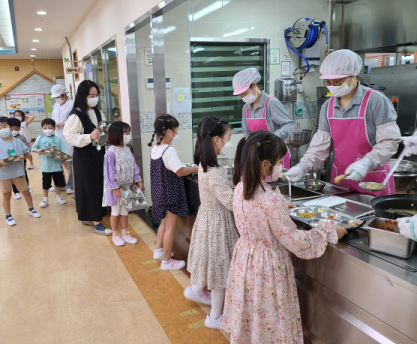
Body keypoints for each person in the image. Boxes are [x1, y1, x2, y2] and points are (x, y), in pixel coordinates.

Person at [222, 130, 347, 344]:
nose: (281, 165)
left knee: (252, 318)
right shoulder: (271, 201)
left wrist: (281, 206)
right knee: (271, 323)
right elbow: (296, 242)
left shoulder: (240, 188)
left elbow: (259, 213)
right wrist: (327, 232)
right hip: (268, 270)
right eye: (279, 161)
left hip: (246, 263)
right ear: (264, 165)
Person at [285, 50, 401, 195]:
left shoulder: (375, 101)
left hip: (373, 182)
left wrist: (367, 162)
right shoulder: (328, 107)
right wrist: (304, 165)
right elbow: (320, 146)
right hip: (342, 182)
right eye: (328, 82)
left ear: (353, 76)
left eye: (338, 82)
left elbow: (389, 141)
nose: (332, 85)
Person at [184, 117, 239, 330]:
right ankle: (215, 316)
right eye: (228, 138)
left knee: (212, 265)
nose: (230, 142)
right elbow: (230, 202)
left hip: (208, 219)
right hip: (218, 224)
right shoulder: (214, 170)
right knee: (220, 272)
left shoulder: (205, 164)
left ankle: (197, 290)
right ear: (217, 140)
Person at [149, 114, 198, 271]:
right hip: (170, 194)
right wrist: (197, 168)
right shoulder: (169, 150)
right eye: (176, 130)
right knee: (171, 227)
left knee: (164, 224)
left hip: (159, 193)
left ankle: (159, 250)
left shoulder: (155, 148)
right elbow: (180, 171)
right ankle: (166, 261)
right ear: (169, 132)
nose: (177, 134)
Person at [63, 80, 111, 235]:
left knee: (98, 185)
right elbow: (70, 136)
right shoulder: (76, 114)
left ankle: (89, 216)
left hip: (98, 154)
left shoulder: (98, 112)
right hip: (84, 156)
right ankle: (97, 222)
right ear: (83, 96)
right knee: (88, 187)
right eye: (92, 95)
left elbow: (102, 131)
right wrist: (89, 137)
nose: (94, 98)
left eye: (96, 95)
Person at [0, 117, 41, 226]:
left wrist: (28, 156)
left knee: (26, 192)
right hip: (4, 174)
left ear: (11, 128)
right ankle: (8, 216)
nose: (2, 130)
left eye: (4, 127)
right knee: (6, 195)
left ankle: (31, 209)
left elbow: (27, 152)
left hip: (18, 173)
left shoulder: (18, 141)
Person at [232, 67, 294, 168]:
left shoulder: (271, 103)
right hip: (259, 157)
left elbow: (289, 124)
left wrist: (272, 139)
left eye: (244, 93)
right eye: (240, 95)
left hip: (276, 156)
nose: (242, 97)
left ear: (254, 84)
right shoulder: (246, 108)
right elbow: (247, 133)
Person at [104, 121, 143, 246]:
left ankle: (125, 233)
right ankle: (115, 234)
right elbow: (109, 173)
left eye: (128, 133)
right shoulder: (110, 153)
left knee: (125, 211)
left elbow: (134, 167)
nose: (128, 135)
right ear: (116, 134)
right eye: (125, 133)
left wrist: (139, 181)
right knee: (115, 212)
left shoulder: (127, 150)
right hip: (116, 189)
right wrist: (115, 188)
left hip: (128, 187)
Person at [31, 118, 68, 208]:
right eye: (45, 128)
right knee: (46, 184)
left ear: (54, 128)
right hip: (46, 166)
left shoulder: (57, 139)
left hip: (57, 166)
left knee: (58, 183)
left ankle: (58, 197)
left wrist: (64, 159)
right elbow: (33, 148)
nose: (47, 130)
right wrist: (38, 150)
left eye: (50, 127)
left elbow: (63, 150)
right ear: (42, 128)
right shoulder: (40, 138)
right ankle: (45, 199)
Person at [50, 84, 74, 194]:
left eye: (58, 96)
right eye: (55, 97)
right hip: (57, 135)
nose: (56, 99)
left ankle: (70, 186)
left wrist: (64, 123)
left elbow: (75, 120)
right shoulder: (56, 104)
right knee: (57, 162)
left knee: (68, 162)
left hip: (68, 136)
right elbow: (53, 117)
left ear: (64, 94)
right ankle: (59, 185)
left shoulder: (72, 104)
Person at [9, 118, 32, 199]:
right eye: (12, 128)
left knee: (23, 174)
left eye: (16, 129)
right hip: (11, 161)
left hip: (21, 160)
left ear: (19, 128)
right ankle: (16, 192)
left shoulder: (22, 137)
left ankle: (27, 187)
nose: (14, 130)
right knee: (13, 176)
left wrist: (27, 152)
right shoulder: (7, 139)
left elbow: (27, 146)